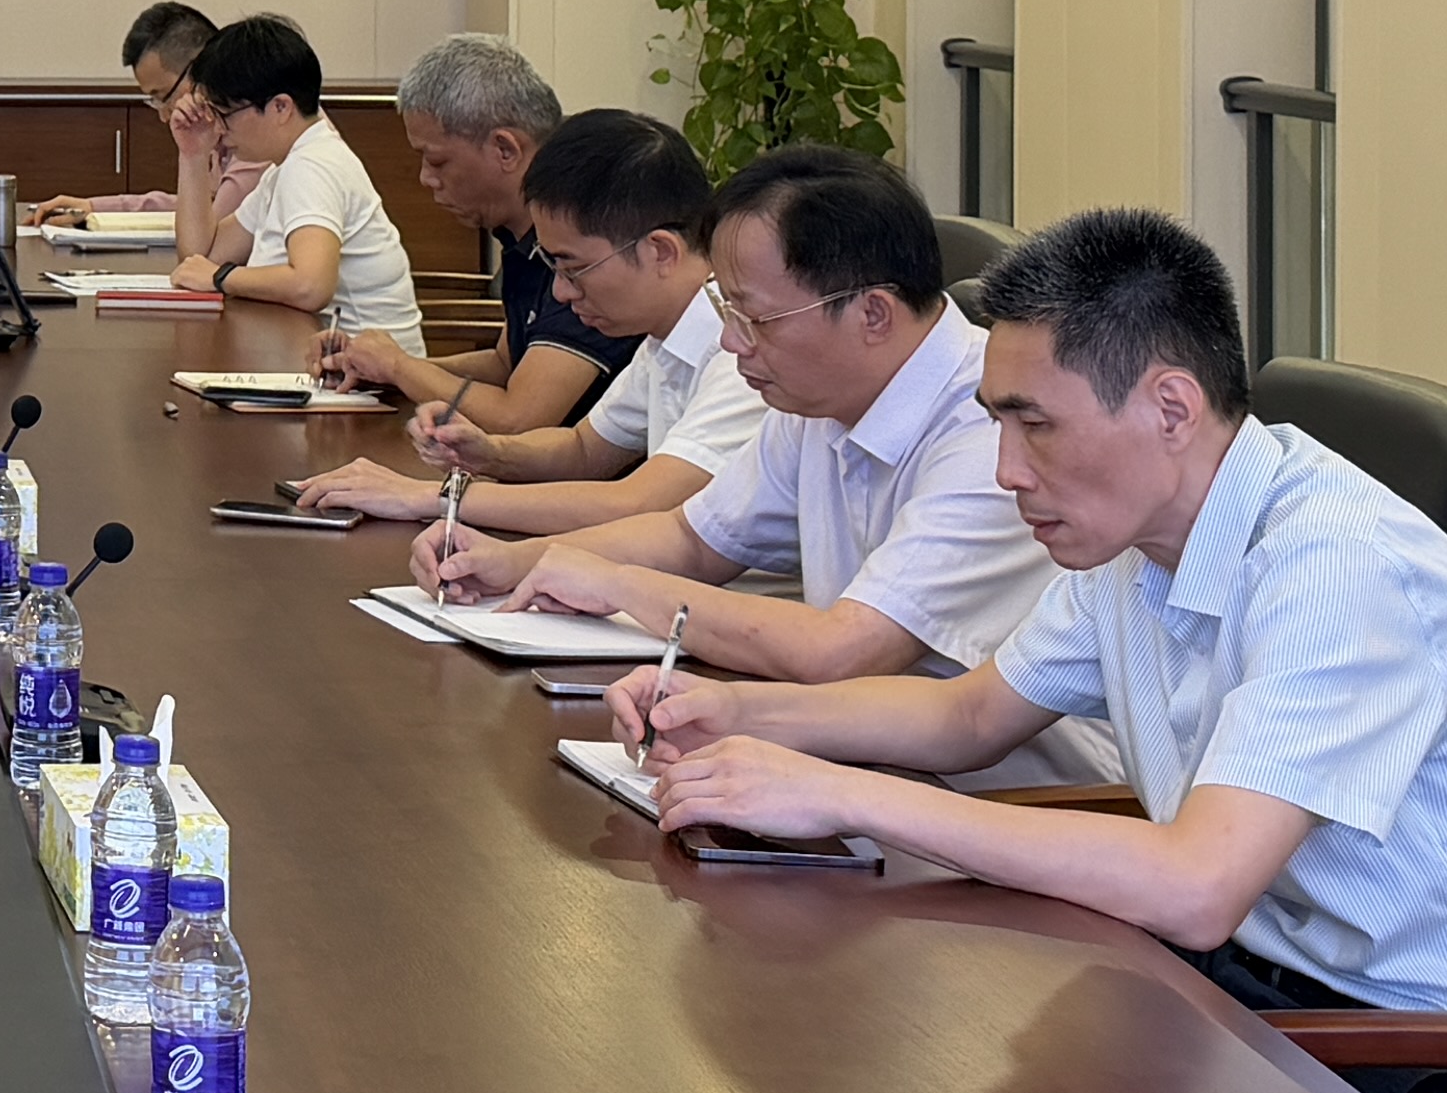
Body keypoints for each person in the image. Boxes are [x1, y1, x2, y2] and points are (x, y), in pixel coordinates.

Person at [619, 206, 1447, 1032]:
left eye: (1036, 424)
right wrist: (738, 714)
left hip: (1438, 1060)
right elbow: (968, 717)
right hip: (1264, 987)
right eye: (998, 423)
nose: (1008, 470)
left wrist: (843, 795)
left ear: (1171, 409)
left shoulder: (1338, 569)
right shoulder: (1140, 538)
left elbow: (1196, 888)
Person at [453, 148, 1076, 752]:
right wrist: (517, 564)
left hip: (1006, 792)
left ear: (873, 314)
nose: (731, 343)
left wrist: (618, 586)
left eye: (755, 318)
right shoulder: (822, 394)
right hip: (848, 743)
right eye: (725, 309)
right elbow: (694, 539)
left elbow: (843, 650)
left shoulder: (991, 428)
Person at [293, 108, 748, 524]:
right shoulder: (666, 335)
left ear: (660, 251)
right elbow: (584, 449)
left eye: (573, 268)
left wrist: (430, 497)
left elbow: (637, 503)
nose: (561, 291)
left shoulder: (741, 351)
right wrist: (488, 452)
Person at [309, 33, 602, 446]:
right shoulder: (519, 234)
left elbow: (519, 418)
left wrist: (400, 368)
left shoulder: (585, 243)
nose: (426, 179)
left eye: (436, 160)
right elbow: (505, 364)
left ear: (505, 149)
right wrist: (382, 368)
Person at [172, 12, 423, 346]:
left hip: (368, 374)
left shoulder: (312, 167)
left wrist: (222, 278)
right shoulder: (285, 168)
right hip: (329, 362)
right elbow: (201, 257)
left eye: (224, 114)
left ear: (280, 107)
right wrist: (193, 154)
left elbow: (311, 285)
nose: (218, 128)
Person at [34, 1, 215, 224]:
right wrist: (93, 208)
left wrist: (191, 156)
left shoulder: (244, 131)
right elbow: (199, 206)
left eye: (163, 96)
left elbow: (216, 218)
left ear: (201, 69)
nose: (164, 116)